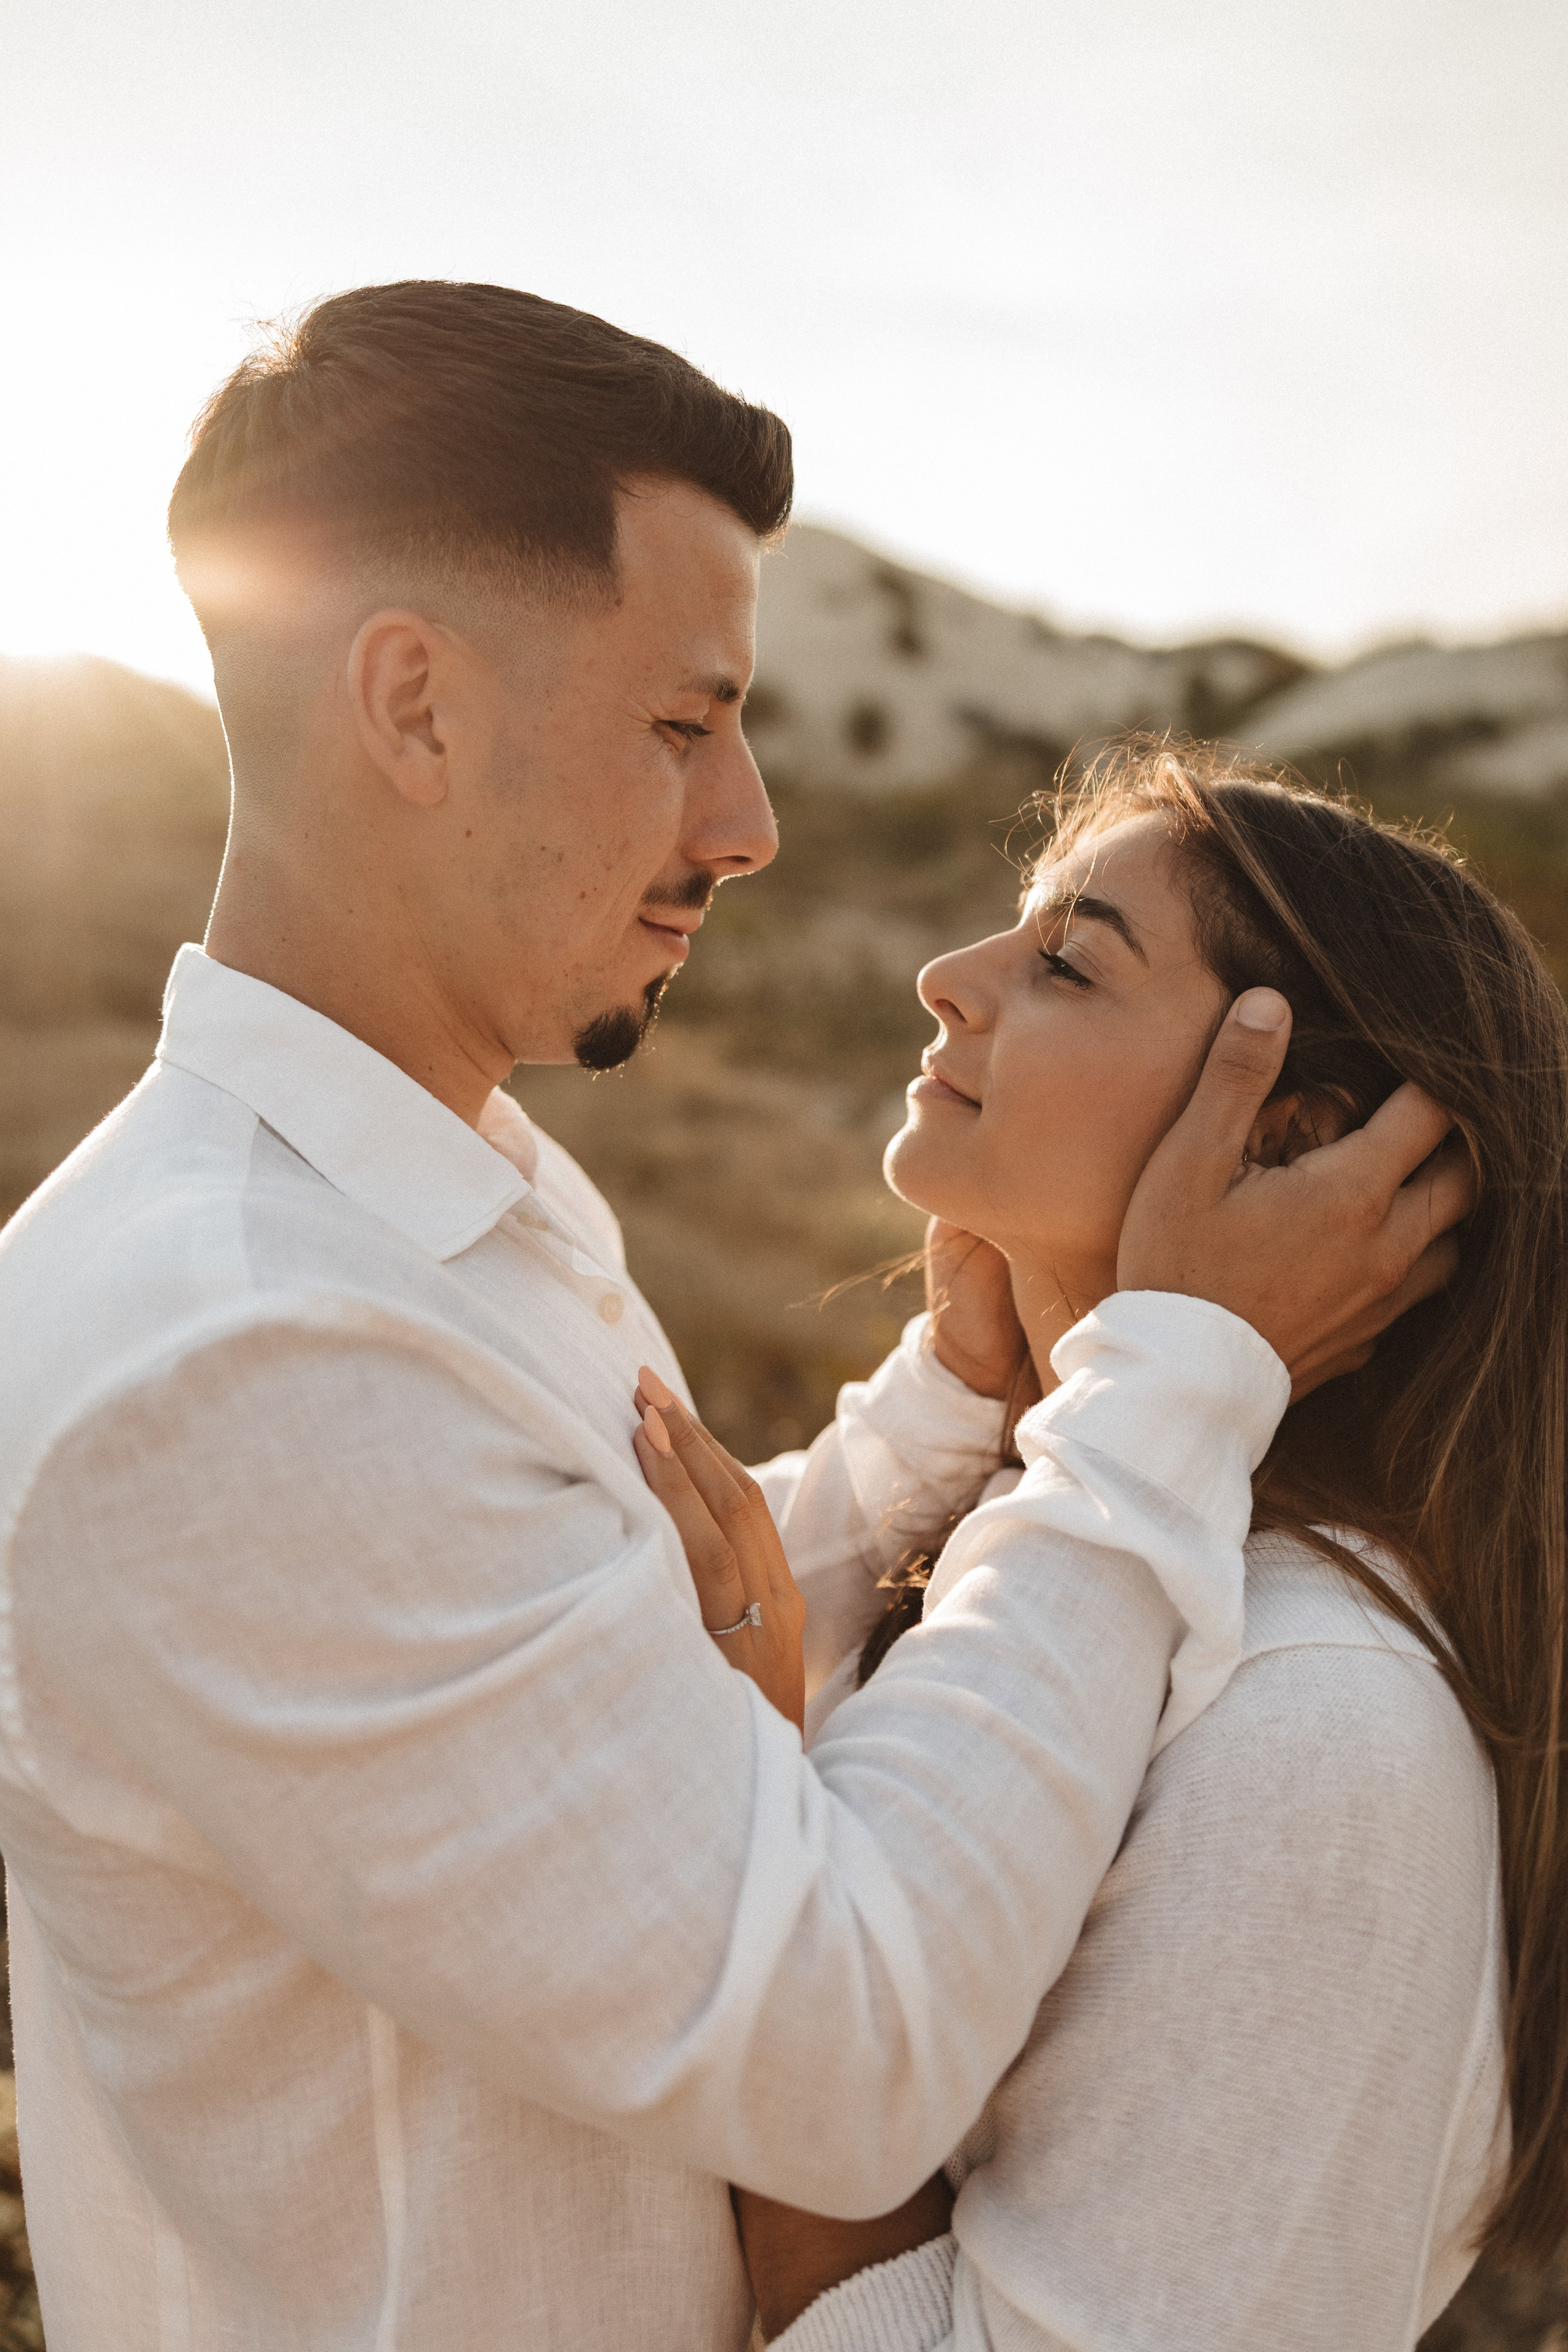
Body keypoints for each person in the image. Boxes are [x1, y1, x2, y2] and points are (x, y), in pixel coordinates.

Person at [0, 285, 1466, 2352]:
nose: (750, 823)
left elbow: (560, 1645)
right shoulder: (240, 1351)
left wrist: (959, 1407)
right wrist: (1171, 1381)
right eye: (685, 725)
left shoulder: (426, 1209)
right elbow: (846, 2039)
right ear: (413, 706)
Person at [635, 744, 1568, 2351]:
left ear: (1299, 1147)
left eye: (1066, 960)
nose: (946, 979)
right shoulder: (1020, 1537)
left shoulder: (1325, 1734)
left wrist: (756, 1792)